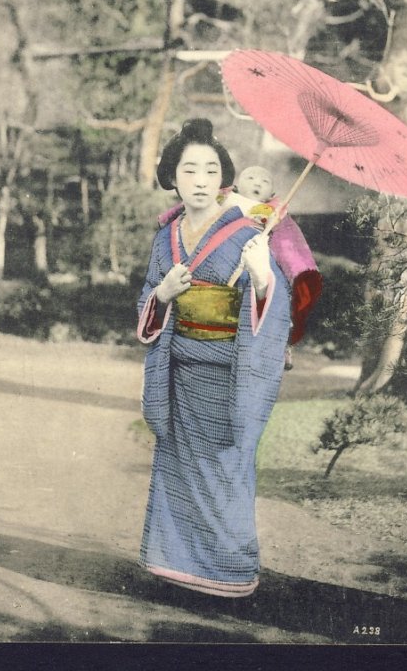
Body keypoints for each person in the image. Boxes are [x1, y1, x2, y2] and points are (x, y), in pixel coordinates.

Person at [137, 119, 291, 597]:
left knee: (225, 474)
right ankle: (173, 566)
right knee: (177, 472)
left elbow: (273, 305)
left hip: (229, 379)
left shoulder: (249, 234)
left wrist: (264, 278)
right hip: (179, 374)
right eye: (189, 170)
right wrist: (162, 293)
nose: (200, 180)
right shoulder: (166, 237)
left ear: (223, 176)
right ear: (173, 177)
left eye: (209, 169)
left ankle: (228, 574)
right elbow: (147, 301)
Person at [231, 165, 323, 365]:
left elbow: (288, 242)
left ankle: (282, 344)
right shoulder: (226, 201)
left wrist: (274, 222)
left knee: (277, 297)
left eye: (264, 181)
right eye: (251, 178)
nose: (257, 182)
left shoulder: (273, 211)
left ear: (271, 194)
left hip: (261, 261)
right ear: (236, 185)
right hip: (231, 260)